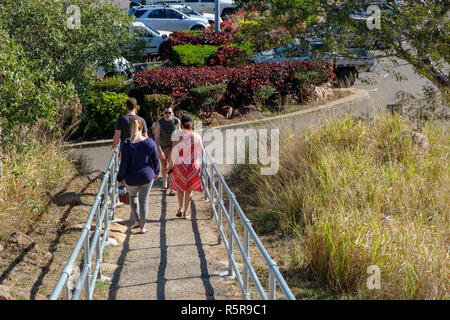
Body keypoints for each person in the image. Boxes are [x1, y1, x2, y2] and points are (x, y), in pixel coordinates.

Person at [116, 118, 160, 234]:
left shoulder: (126, 145)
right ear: (141, 128)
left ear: (131, 129)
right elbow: (155, 159)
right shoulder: (149, 142)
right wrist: (157, 171)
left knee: (132, 198)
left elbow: (123, 165)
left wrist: (119, 178)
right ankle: (142, 227)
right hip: (146, 176)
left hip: (131, 179)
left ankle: (136, 221)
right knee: (143, 201)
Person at [170, 114, 204, 219]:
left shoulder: (176, 135)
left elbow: (174, 152)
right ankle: (185, 213)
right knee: (189, 190)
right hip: (192, 166)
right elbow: (202, 152)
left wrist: (170, 165)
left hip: (180, 165)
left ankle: (180, 207)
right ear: (191, 124)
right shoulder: (196, 136)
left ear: (181, 123)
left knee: (180, 188)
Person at [154, 105, 181, 196]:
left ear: (172, 113)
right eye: (166, 113)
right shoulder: (159, 122)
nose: (168, 114)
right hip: (163, 146)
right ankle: (164, 184)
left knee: (171, 166)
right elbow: (156, 138)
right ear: (163, 113)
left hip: (172, 146)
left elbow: (180, 135)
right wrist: (159, 150)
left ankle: (173, 188)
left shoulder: (176, 121)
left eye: (169, 112)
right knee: (164, 166)